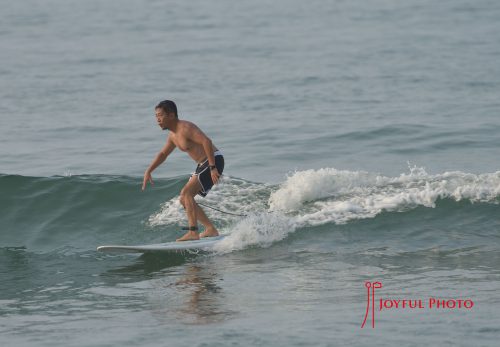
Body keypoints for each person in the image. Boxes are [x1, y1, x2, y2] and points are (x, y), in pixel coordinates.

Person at [142, 100, 224, 241]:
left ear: (172, 115)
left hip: (213, 160)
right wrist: (149, 170)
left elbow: (206, 141)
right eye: (156, 116)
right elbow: (163, 154)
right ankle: (210, 229)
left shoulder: (186, 128)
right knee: (183, 199)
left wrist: (212, 167)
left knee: (187, 193)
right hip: (202, 164)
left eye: (160, 115)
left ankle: (193, 232)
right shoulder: (173, 136)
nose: (158, 120)